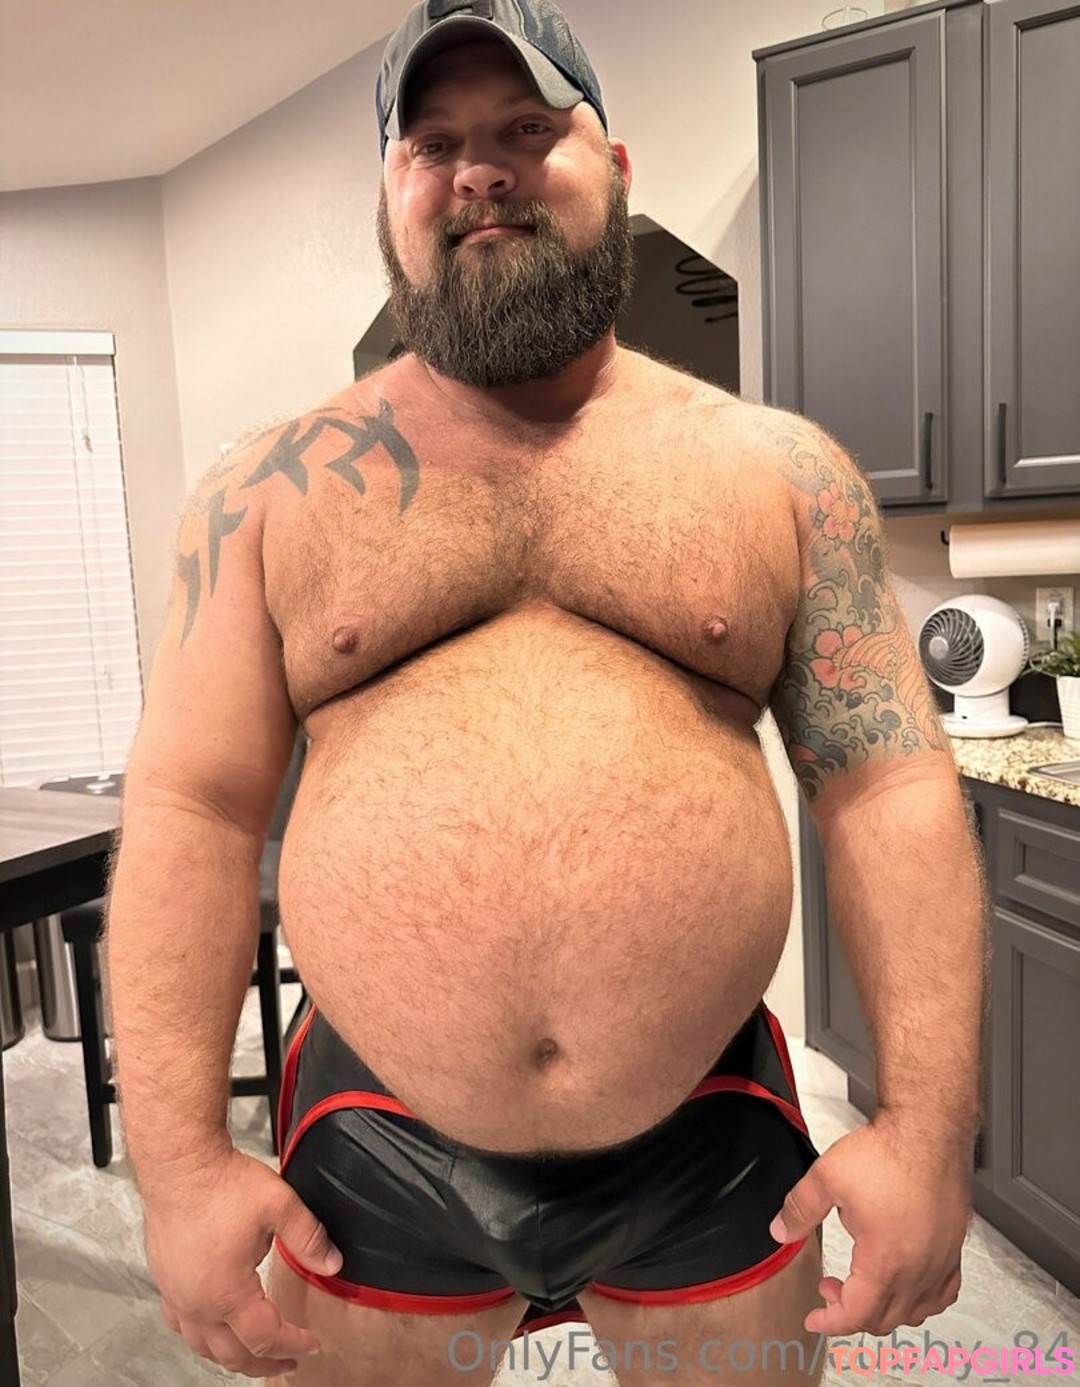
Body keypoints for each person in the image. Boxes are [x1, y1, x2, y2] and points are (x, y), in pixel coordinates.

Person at [103, 0, 988, 1382]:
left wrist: (928, 1132)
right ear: (391, 195)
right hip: (373, 1138)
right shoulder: (265, 495)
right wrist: (176, 1166)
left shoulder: (776, 473)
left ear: (614, 168)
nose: (479, 171)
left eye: (526, 127)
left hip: (707, 1129)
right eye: (433, 143)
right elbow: (191, 815)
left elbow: (886, 790)